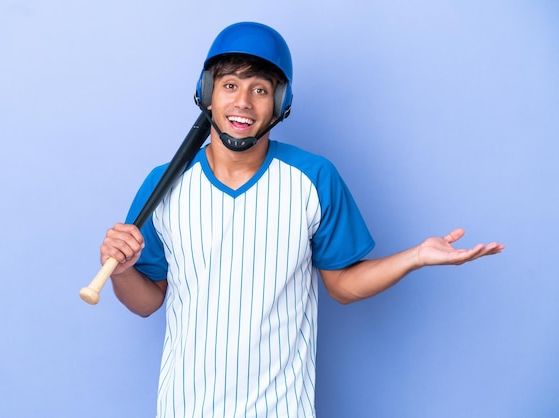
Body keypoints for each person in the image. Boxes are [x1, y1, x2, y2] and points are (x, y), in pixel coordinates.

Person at [99, 22, 504, 418]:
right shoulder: (164, 184)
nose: (243, 102)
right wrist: (121, 271)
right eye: (229, 86)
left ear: (279, 103)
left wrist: (414, 256)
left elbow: (343, 286)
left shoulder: (314, 177)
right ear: (207, 95)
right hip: (184, 406)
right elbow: (147, 301)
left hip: (283, 407)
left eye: (260, 89)